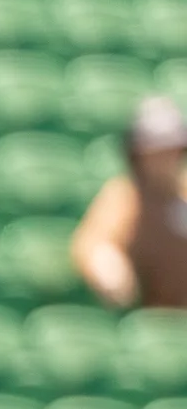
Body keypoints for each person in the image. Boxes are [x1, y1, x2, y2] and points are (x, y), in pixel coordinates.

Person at [72, 96, 187, 310]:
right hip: (143, 314)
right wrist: (107, 264)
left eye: (171, 151)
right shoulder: (124, 196)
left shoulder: (183, 192)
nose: (164, 160)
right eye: (155, 153)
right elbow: (94, 244)